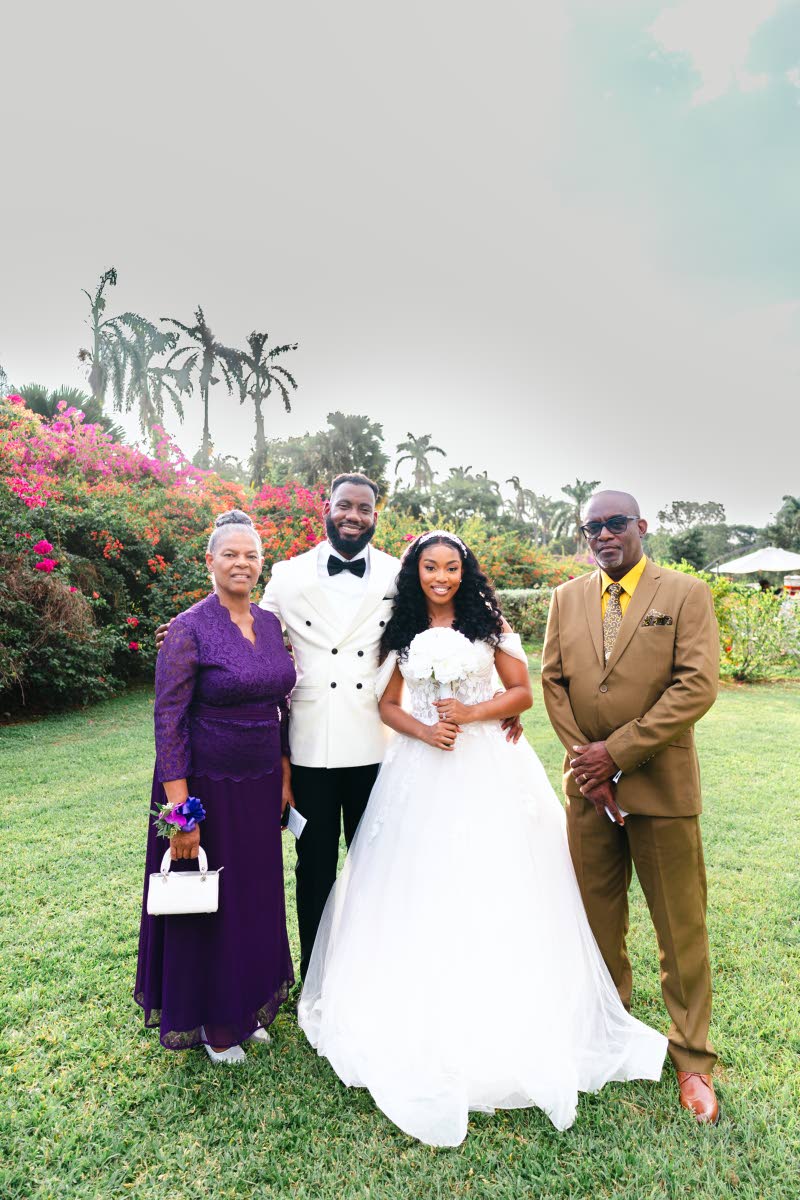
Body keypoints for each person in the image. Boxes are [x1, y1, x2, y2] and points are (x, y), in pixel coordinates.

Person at [298, 531, 667, 1147]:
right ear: (414, 572)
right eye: (428, 567)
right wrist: (423, 730)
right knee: (416, 887)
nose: (439, 577)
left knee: (499, 882)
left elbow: (521, 691)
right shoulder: (402, 625)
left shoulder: (488, 622)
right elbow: (389, 704)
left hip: (488, 767)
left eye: (450, 567)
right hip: (419, 771)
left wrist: (467, 715)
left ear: (465, 571)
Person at [540, 490, 720, 1124]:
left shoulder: (685, 594)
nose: (603, 535)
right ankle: (609, 1032)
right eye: (593, 527)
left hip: (661, 789)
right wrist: (588, 766)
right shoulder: (565, 598)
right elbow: (553, 682)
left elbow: (697, 685)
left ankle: (693, 1059)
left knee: (681, 930)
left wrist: (614, 754)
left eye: (616, 523)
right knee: (595, 924)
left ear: (641, 526)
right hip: (590, 795)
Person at [135, 510, 296, 1063]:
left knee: (252, 895)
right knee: (208, 903)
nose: (242, 563)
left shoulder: (271, 625)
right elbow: (168, 720)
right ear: (209, 562)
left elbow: (280, 704)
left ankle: (245, 1004)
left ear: (261, 563)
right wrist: (180, 813)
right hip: (203, 787)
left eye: (251, 554)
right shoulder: (187, 629)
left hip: (258, 785)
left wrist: (284, 773)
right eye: (230, 553)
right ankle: (211, 1022)